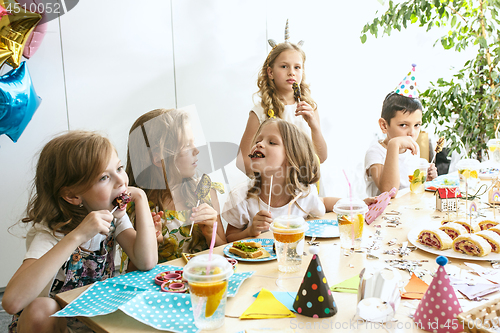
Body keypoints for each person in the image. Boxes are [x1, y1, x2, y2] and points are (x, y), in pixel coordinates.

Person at [2, 131, 158, 333]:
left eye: (119, 168)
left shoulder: (112, 216)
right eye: (104, 177)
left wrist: (141, 199)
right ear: (72, 195)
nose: (121, 181)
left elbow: (147, 261)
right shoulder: (49, 234)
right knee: (42, 309)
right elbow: (12, 303)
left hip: (95, 318)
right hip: (53, 326)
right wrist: (77, 235)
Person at [225, 119, 375, 242]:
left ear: (291, 158)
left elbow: (322, 202)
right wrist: (250, 231)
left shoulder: (303, 194)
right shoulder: (240, 197)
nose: (259, 144)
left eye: (272, 142)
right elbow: (229, 238)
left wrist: (356, 204)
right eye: (258, 140)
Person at [123, 108, 226, 270]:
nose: (196, 150)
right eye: (186, 145)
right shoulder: (135, 206)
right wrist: (151, 243)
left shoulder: (206, 192)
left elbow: (226, 256)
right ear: (158, 159)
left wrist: (209, 233)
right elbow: (130, 275)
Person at [236, 22, 327, 176]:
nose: (291, 72)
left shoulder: (310, 109)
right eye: (284, 66)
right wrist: (268, 179)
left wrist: (314, 126)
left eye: (297, 67)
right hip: (274, 192)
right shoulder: (260, 112)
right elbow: (242, 161)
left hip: (303, 189)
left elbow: (321, 157)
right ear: (270, 72)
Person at [365, 65, 438, 197]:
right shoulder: (375, 153)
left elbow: (411, 188)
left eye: (417, 125)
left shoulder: (413, 151)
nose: (412, 132)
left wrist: (426, 179)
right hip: (384, 215)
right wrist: (394, 144)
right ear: (384, 125)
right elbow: (389, 191)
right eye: (403, 125)